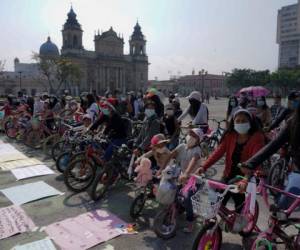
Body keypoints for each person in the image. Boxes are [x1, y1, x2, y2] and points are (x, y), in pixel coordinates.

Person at [197, 109, 265, 213]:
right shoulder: (230, 135)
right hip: (228, 174)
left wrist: (245, 179)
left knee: (239, 205)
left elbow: (256, 161)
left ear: (250, 122)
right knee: (216, 202)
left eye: (244, 121)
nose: (241, 123)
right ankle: (216, 225)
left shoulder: (257, 137)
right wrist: (203, 167)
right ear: (233, 123)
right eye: (238, 121)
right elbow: (217, 152)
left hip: (246, 177)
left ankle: (240, 226)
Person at [242, 100, 300, 209]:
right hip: (297, 172)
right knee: (281, 210)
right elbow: (274, 145)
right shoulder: (293, 121)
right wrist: (250, 163)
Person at [163, 128, 203, 233]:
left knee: (187, 199)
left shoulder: (197, 150)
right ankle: (176, 211)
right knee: (172, 193)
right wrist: (162, 168)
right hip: (182, 177)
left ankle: (190, 222)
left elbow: (193, 161)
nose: (190, 137)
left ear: (198, 140)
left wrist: (186, 173)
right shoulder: (182, 146)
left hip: (194, 180)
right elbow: (170, 155)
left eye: (194, 136)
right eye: (190, 134)